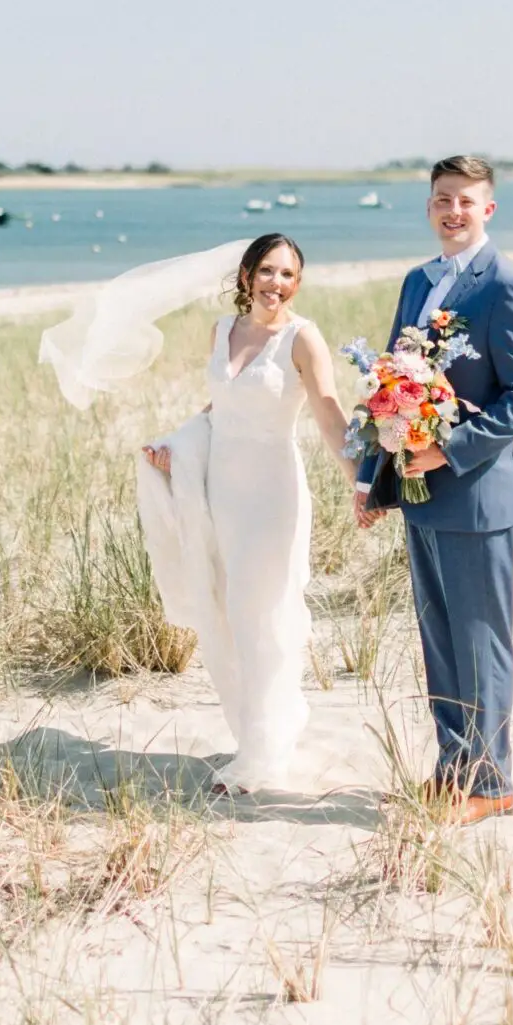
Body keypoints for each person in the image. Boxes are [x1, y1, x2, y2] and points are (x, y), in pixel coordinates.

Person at [356, 155, 513, 823]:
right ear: (430, 206)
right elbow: (388, 388)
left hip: (479, 492)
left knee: (481, 641)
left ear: (487, 209)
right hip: (418, 494)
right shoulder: (418, 282)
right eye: (442, 199)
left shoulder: (508, 286)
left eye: (466, 201)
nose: (453, 211)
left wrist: (448, 447)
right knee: (439, 640)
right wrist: (371, 478)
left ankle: (492, 784)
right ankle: (453, 769)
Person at [138, 233, 355, 793]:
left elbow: (330, 416)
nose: (275, 283)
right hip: (222, 491)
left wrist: (362, 481)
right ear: (245, 277)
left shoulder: (303, 339)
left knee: (260, 610)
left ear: (297, 284)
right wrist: (175, 448)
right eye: (266, 271)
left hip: (271, 493)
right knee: (230, 610)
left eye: (287, 274)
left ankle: (261, 754)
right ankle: (259, 728)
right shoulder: (221, 331)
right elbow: (218, 408)